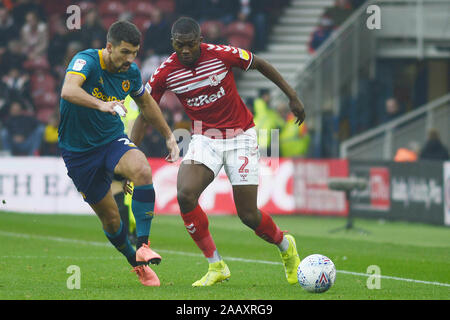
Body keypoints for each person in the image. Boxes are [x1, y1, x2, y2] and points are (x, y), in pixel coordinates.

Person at [130, 17, 306, 287]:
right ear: (173, 43)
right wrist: (130, 152)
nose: (185, 50)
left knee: (248, 215)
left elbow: (260, 63)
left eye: (190, 45)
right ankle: (216, 265)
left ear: (200, 41)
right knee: (185, 195)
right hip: (205, 138)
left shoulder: (222, 55)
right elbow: (145, 111)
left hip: (241, 137)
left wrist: (292, 96)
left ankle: (285, 246)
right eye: (180, 45)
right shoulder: (166, 71)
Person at [58, 20, 179, 287]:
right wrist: (101, 104)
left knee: (142, 169)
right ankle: (135, 262)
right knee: (111, 219)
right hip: (78, 152)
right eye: (124, 52)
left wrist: (169, 136)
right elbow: (68, 90)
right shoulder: (86, 61)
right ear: (109, 46)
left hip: (111, 140)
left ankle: (144, 244)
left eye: (134, 52)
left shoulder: (131, 73)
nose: (130, 59)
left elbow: (146, 104)